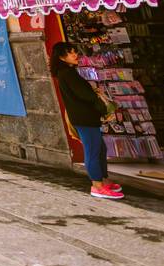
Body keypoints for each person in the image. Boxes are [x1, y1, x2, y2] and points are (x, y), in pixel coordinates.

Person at [51, 42, 122, 199]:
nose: (75, 55)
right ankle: (97, 185)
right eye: (71, 53)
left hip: (86, 118)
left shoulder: (68, 72)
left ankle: (104, 180)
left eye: (75, 52)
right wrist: (100, 105)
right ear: (62, 57)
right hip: (84, 118)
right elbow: (85, 95)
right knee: (93, 151)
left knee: (100, 149)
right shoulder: (67, 74)